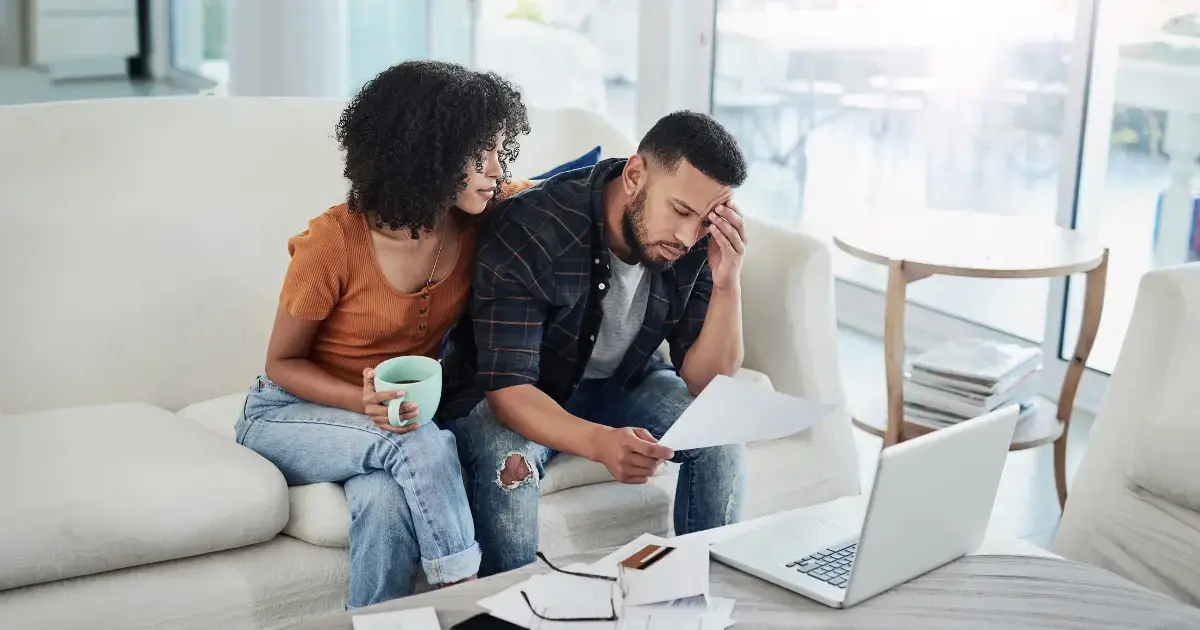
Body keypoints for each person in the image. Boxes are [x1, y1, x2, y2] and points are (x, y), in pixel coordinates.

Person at [234, 60, 531, 607]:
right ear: (425, 153)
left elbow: (573, 194)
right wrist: (361, 400)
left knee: (384, 501)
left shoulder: (477, 216)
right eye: (477, 154)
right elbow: (281, 364)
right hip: (287, 414)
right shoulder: (333, 245)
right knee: (416, 438)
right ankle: (468, 598)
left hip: (387, 423)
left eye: (498, 150)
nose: (494, 169)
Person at [440, 111, 750, 576]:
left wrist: (728, 283)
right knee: (510, 464)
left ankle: (696, 601)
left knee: (719, 433)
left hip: (623, 381)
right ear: (634, 175)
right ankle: (510, 609)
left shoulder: (695, 244)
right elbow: (507, 390)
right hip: (522, 393)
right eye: (681, 211)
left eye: (705, 221)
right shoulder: (534, 227)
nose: (688, 236)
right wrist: (600, 443)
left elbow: (709, 381)